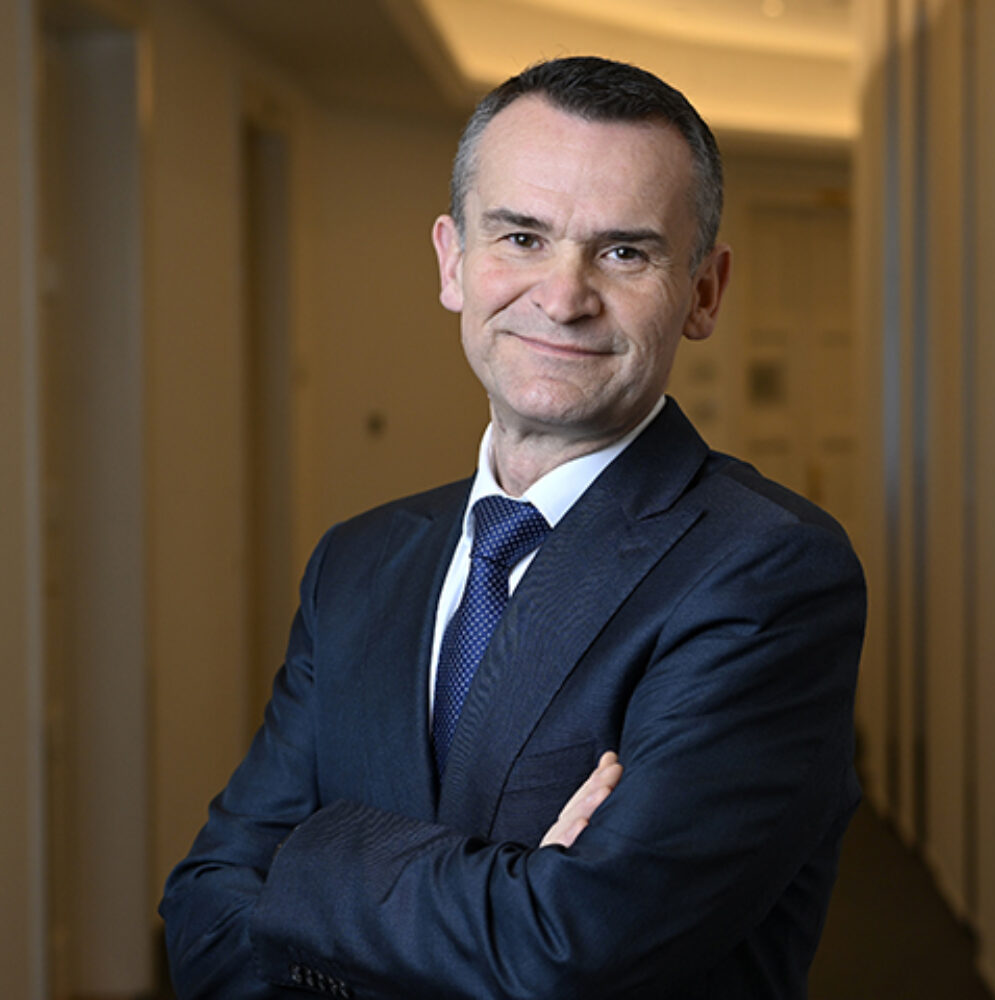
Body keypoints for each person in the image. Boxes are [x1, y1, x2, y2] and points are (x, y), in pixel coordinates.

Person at [160, 56, 866, 999]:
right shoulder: (359, 562)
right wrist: (514, 892)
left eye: (625, 252)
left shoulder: (769, 571)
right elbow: (202, 916)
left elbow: (571, 948)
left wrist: (305, 862)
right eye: (522, 237)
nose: (564, 297)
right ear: (453, 261)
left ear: (704, 291)